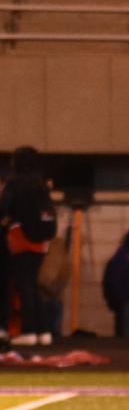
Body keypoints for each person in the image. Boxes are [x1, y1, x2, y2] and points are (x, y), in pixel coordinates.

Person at [1, 146, 58, 348]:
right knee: (32, 285)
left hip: (21, 238)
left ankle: (27, 330)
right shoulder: (41, 184)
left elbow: (4, 208)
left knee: (22, 285)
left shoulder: (15, 183)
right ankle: (42, 331)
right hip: (41, 242)